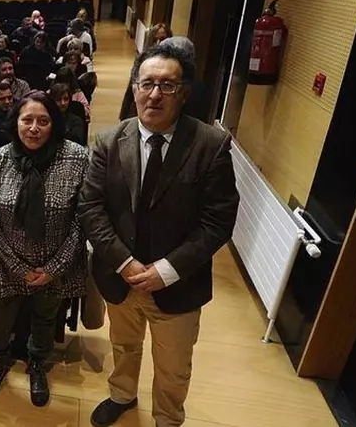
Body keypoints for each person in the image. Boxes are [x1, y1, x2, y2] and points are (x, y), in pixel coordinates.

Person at [78, 44, 239, 427]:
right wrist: (125, 263)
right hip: (121, 277)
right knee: (124, 346)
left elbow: (217, 221)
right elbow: (91, 208)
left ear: (183, 93)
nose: (154, 94)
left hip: (178, 284)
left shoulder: (210, 145)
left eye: (167, 85)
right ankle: (122, 394)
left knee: (173, 365)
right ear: (134, 88)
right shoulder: (108, 141)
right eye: (147, 83)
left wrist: (166, 270)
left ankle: (168, 418)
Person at [0, 92, 88, 407]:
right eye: (27, 120)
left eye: (43, 121)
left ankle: (38, 363)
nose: (34, 128)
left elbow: (83, 219)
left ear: (55, 124)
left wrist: (53, 269)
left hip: (54, 265)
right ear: (16, 122)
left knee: (45, 320)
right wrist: (18, 266)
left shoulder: (77, 158)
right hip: (6, 262)